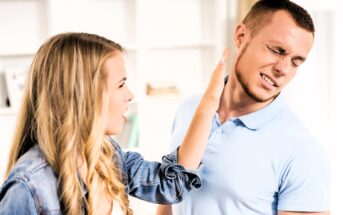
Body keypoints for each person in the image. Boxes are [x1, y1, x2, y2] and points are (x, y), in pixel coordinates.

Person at [0, 32, 228, 215]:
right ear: (84, 96)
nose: (130, 95)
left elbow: (169, 185)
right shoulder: (28, 186)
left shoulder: (108, 155)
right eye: (120, 85)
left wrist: (209, 104)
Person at [157, 0, 330, 215]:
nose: (283, 69)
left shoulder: (302, 151)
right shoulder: (189, 109)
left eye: (295, 62)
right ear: (241, 37)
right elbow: (170, 197)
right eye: (277, 50)